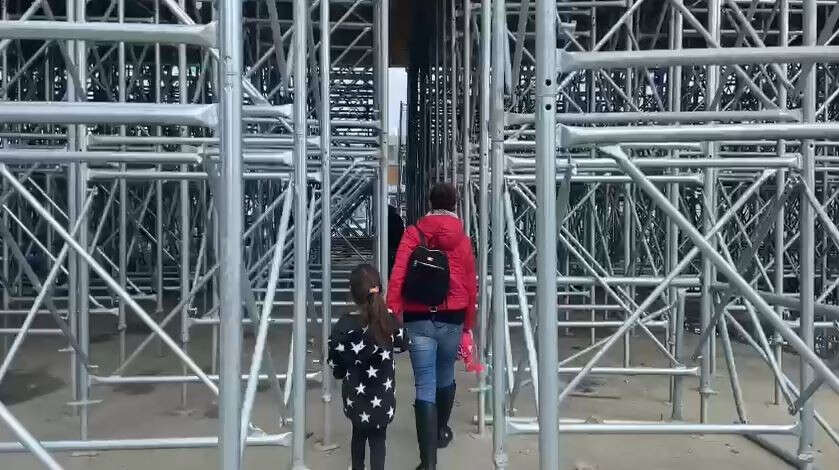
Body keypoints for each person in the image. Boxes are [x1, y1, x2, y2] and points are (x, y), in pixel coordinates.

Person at [387, 183, 477, 470]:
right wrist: (469, 323)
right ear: (454, 204)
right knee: (446, 374)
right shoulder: (462, 238)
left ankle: (428, 464)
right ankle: (440, 431)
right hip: (453, 315)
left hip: (418, 315)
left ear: (430, 202)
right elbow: (471, 283)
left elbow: (398, 273)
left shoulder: (414, 233)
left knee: (424, 384)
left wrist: (392, 311)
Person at [328, 264, 409, 470]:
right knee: (378, 440)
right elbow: (404, 344)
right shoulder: (388, 321)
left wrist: (340, 370)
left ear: (352, 293)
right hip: (383, 397)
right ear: (380, 288)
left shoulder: (344, 325)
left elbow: (335, 364)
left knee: (358, 436)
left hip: (355, 398)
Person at [387, 204, 405, 275]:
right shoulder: (398, 218)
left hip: (388, 244)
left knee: (388, 261)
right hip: (396, 244)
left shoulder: (385, 219)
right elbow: (402, 230)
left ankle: (389, 274)